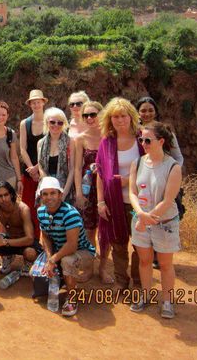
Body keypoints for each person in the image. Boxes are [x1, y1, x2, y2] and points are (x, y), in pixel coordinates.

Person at [129, 122, 182, 319]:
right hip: (141, 220)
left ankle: (167, 301)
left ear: (161, 141)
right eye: (141, 139)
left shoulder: (173, 167)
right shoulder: (138, 162)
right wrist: (140, 215)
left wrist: (146, 218)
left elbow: (168, 200)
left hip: (164, 223)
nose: (143, 143)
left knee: (166, 264)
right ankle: (145, 295)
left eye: (148, 140)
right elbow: (133, 192)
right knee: (144, 261)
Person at [96, 97, 144, 290]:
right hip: (113, 201)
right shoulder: (107, 142)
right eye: (115, 116)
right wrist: (100, 202)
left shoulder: (142, 139)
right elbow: (99, 174)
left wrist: (129, 181)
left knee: (141, 244)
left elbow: (153, 167)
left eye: (123, 115)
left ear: (131, 116)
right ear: (110, 119)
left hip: (139, 202)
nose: (120, 120)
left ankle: (139, 281)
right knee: (117, 243)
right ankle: (121, 281)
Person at [36, 177, 96, 317]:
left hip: (82, 252)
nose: (48, 197)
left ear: (60, 195)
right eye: (45, 194)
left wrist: (52, 260)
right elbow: (45, 236)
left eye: (53, 193)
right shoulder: (41, 212)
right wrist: (49, 257)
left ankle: (72, 299)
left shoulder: (70, 214)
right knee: (37, 273)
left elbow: (72, 246)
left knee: (67, 261)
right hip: (59, 251)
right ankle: (63, 279)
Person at [73, 101, 113, 283]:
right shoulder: (80, 138)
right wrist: (79, 194)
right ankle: (89, 268)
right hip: (88, 189)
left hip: (108, 189)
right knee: (89, 230)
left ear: (101, 114)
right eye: (85, 115)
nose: (89, 118)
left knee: (106, 231)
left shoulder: (110, 136)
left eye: (93, 114)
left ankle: (103, 268)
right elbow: (76, 168)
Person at [0, 181, 40, 275]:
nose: (3, 199)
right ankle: (7, 255)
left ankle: (28, 263)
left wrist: (3, 242)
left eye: (6, 195)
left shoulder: (23, 209)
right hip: (8, 240)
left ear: (11, 194)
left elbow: (30, 239)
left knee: (30, 253)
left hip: (24, 243)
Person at [19, 89, 47, 238]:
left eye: (38, 101)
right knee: (29, 208)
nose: (36, 104)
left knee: (48, 207)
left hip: (46, 172)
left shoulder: (50, 121)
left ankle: (48, 242)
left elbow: (51, 147)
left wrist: (39, 167)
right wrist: (32, 169)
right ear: (30, 105)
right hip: (29, 173)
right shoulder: (25, 123)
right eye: (33, 102)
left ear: (43, 102)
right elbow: (22, 148)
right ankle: (33, 241)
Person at [37, 108, 75, 203]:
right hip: (46, 188)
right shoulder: (40, 143)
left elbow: (72, 169)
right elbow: (40, 166)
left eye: (60, 123)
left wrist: (63, 194)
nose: (56, 125)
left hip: (64, 187)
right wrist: (48, 186)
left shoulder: (70, 142)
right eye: (52, 122)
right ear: (47, 123)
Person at [135, 97, 184, 166]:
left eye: (151, 110)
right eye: (143, 111)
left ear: (156, 113)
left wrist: (173, 173)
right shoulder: (134, 132)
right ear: (137, 113)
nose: (147, 114)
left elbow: (178, 158)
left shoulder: (165, 131)